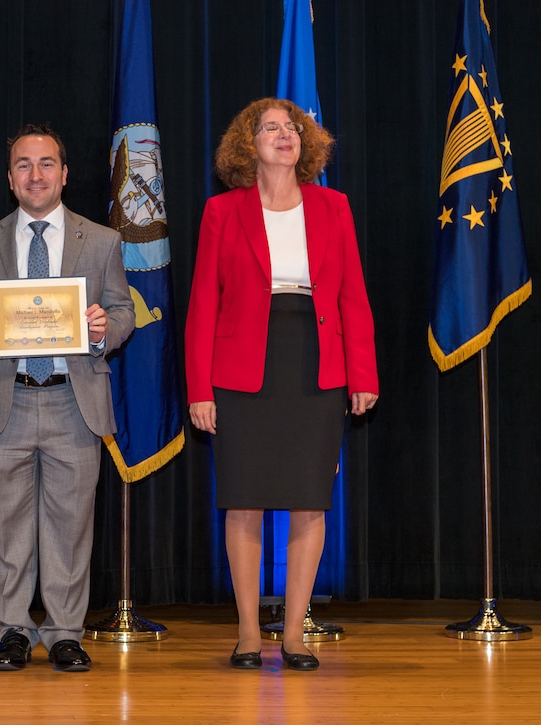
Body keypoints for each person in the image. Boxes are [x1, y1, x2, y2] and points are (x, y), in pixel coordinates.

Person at [185, 99, 378, 671]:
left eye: (292, 128)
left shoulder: (333, 206)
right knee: (243, 502)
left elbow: (353, 297)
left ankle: (294, 634)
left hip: (315, 364)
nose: (284, 135)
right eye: (270, 128)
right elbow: (201, 307)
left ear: (306, 142)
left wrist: (361, 374)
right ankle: (247, 633)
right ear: (249, 144)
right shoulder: (222, 212)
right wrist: (199, 388)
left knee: (308, 502)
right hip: (241, 368)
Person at [0, 123, 134, 672]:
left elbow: (123, 313)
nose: (36, 174)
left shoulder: (102, 241)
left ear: (65, 173)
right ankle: (10, 632)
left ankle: (63, 634)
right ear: (9, 179)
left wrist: (103, 328)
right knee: (4, 527)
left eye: (46, 163)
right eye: (24, 165)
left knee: (71, 526)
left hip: (72, 402)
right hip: (5, 400)